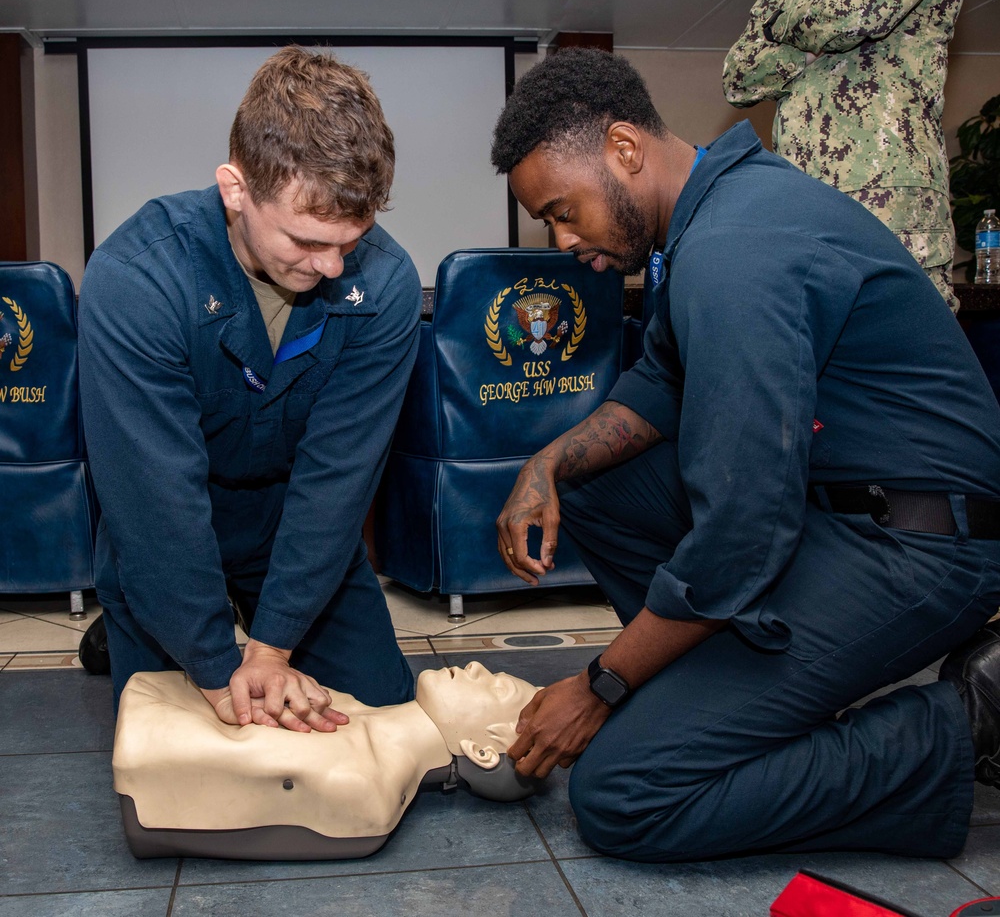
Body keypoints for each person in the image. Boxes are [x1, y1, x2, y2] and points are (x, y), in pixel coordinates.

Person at [488, 47, 1000, 863]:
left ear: (624, 149)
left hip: (922, 546)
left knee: (624, 796)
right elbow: (662, 380)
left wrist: (601, 685)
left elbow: (742, 532)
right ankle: (716, 699)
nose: (563, 238)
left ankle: (962, 723)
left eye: (563, 209)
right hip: (836, 514)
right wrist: (546, 464)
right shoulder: (712, 218)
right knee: (599, 482)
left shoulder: (732, 253)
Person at [78, 46, 421, 730]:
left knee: (384, 718)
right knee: (176, 757)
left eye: (350, 241)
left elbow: (337, 476)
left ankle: (243, 620)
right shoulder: (135, 280)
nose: (329, 267)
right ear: (236, 190)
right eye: (304, 239)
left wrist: (273, 646)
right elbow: (155, 497)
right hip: (168, 522)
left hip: (291, 523)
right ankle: (134, 627)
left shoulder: (384, 283)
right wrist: (212, 666)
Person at [722, 0, 977, 313]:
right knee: (811, 352)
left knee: (903, 349)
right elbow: (739, 77)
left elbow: (856, 12)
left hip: (888, 198)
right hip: (802, 200)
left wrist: (778, 22)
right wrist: (809, 46)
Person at [113, 662, 540, 859]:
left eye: (496, 689)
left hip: (149, 724)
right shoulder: (352, 707)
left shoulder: (365, 785)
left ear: (481, 752)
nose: (479, 665)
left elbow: (153, 753)